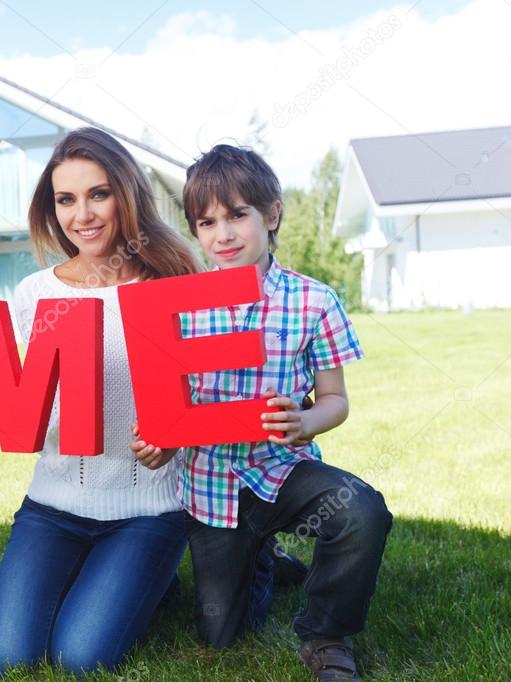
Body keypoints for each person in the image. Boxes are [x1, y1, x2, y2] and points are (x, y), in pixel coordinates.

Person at [136, 144, 392, 681]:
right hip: (210, 487)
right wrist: (159, 439)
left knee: (362, 510)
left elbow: (335, 401)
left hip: (281, 471)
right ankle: (267, 562)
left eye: (237, 215)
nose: (222, 235)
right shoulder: (177, 305)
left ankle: (326, 634)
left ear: (271, 214)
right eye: (206, 223)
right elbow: (165, 404)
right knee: (221, 634)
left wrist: (304, 422)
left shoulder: (313, 301)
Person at [0, 127, 202, 677]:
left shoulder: (173, 279)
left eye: (98, 193)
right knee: (5, 661)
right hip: (53, 506)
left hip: (147, 510)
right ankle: (107, 573)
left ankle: (148, 574)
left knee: (80, 659)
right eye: (66, 199)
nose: (83, 215)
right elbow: (31, 406)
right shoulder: (35, 293)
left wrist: (175, 436)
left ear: (126, 194)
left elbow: (208, 392)